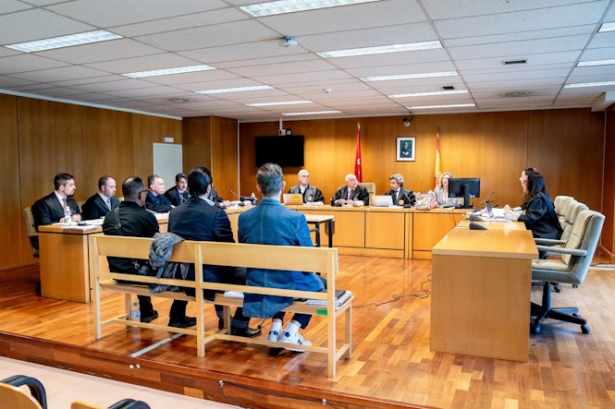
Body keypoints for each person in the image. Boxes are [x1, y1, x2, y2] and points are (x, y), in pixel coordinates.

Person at [238, 163, 326, 351]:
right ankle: (291, 331)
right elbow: (310, 260)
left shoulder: (243, 218)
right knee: (321, 285)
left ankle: (276, 327)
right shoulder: (295, 218)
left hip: (255, 281)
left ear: (258, 188)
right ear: (283, 186)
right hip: (284, 282)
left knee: (276, 277)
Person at [168, 167, 260, 338]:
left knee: (217, 267)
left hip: (181, 275)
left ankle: (222, 319)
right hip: (207, 277)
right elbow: (229, 252)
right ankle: (239, 324)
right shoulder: (217, 214)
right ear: (209, 189)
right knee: (255, 276)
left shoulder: (174, 213)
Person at [102, 176, 195, 327]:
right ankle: (177, 316)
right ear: (140, 194)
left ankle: (147, 310)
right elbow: (158, 249)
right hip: (141, 275)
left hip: (117, 271)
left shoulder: (109, 217)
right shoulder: (146, 216)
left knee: (138, 261)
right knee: (183, 266)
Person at [505, 172, 562, 257]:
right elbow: (526, 211)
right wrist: (511, 212)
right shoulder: (537, 197)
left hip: (544, 236)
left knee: (513, 242)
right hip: (541, 233)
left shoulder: (539, 199)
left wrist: (510, 214)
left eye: (525, 182)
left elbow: (529, 219)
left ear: (532, 185)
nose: (522, 184)